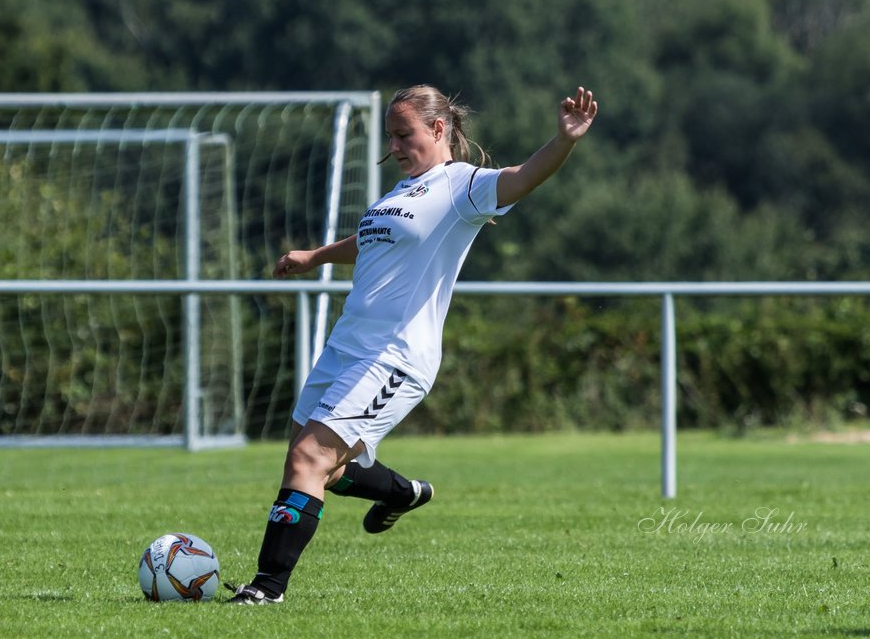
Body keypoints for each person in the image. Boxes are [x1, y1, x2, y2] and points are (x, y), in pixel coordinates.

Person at [225, 84, 598, 604]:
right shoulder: (399, 193)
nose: (395, 147)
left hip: (394, 358)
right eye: (391, 137)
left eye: (404, 135)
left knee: (308, 459)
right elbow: (372, 239)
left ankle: (266, 589)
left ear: (439, 129)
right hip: (346, 348)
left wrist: (565, 141)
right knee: (318, 467)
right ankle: (405, 492)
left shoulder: (461, 187)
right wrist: (316, 256)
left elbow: (522, 178)